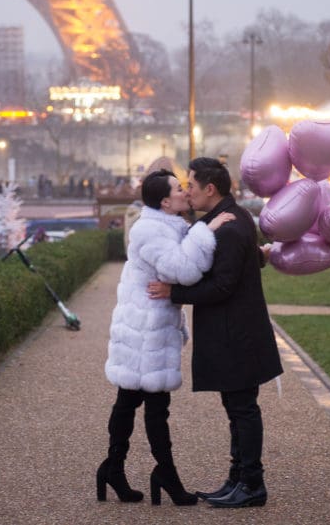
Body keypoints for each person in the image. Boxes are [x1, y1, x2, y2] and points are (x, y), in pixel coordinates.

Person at [148, 157, 283, 509]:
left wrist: (173, 293)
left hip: (236, 334)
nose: (187, 191)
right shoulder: (225, 219)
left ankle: (252, 484)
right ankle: (238, 479)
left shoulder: (230, 226)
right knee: (237, 408)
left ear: (210, 189)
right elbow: (238, 262)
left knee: (243, 409)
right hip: (233, 332)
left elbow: (221, 286)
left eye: (190, 185)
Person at [98, 169, 234, 507]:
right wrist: (208, 230)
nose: (185, 193)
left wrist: (196, 232)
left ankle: (114, 469)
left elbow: (179, 267)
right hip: (145, 330)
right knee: (153, 406)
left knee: (131, 401)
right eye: (178, 189)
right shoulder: (150, 230)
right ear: (164, 200)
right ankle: (163, 474)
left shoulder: (166, 225)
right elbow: (183, 270)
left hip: (147, 326)